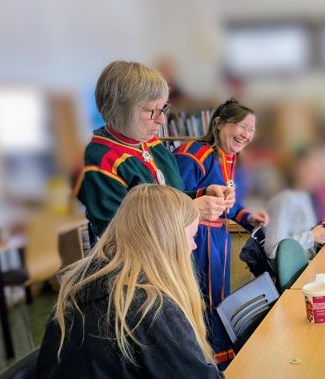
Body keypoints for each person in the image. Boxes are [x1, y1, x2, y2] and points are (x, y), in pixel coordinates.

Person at [25, 185, 226, 379]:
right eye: (190, 236)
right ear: (168, 242)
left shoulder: (82, 282)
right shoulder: (148, 305)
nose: (193, 246)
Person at [74, 60, 233, 242]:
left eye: (164, 108)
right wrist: (191, 211)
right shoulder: (102, 162)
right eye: (152, 111)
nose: (162, 121)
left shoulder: (152, 144)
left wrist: (201, 195)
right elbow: (118, 235)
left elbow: (171, 198)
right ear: (120, 111)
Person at [173, 98, 269, 368]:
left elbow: (232, 204)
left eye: (251, 130)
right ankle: (201, 363)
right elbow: (172, 199)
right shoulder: (193, 154)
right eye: (241, 126)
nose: (247, 134)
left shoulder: (233, 160)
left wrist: (248, 216)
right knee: (196, 300)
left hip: (218, 241)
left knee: (218, 299)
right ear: (218, 123)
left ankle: (221, 358)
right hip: (192, 240)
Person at [263, 147, 325, 261]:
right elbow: (272, 250)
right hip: (300, 273)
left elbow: (305, 235)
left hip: (311, 261)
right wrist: (312, 236)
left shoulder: (305, 195)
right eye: (311, 169)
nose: (318, 175)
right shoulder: (284, 200)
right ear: (296, 170)